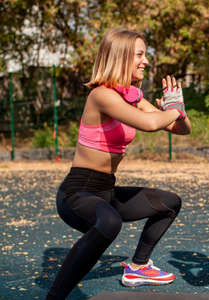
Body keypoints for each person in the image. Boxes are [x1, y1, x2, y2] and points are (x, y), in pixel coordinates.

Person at [46, 28, 191, 299]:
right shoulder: (101, 95)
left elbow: (182, 129)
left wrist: (176, 109)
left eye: (145, 55)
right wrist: (172, 110)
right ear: (120, 57)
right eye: (139, 54)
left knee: (169, 203)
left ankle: (138, 267)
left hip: (106, 192)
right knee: (110, 222)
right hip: (77, 194)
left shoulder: (133, 96)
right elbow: (150, 123)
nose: (145, 60)